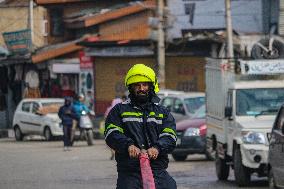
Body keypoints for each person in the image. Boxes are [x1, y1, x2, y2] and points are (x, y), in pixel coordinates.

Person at [104, 64, 177, 189]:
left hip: (157, 170)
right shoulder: (119, 110)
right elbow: (111, 133)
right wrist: (128, 145)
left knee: (170, 186)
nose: (141, 88)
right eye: (137, 85)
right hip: (130, 173)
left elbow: (170, 135)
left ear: (151, 86)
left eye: (145, 84)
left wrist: (157, 148)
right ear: (131, 88)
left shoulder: (162, 112)